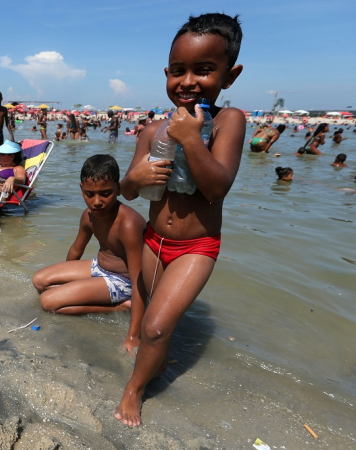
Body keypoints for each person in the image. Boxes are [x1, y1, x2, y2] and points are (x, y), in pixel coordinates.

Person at [116, 13, 244, 427]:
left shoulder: (229, 121)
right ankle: (155, 349)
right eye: (178, 71)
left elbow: (217, 187)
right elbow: (128, 190)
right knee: (150, 308)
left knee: (155, 327)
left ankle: (134, 390)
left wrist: (191, 138)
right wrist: (133, 177)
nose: (188, 81)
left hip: (196, 246)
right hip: (155, 237)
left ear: (230, 75)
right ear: (166, 74)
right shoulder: (153, 128)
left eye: (204, 70)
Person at [32, 154, 146, 347]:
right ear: (81, 189)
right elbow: (76, 250)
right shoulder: (89, 216)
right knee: (39, 281)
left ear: (118, 189)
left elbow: (139, 281)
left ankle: (119, 307)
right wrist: (67, 282)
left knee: (48, 302)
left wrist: (134, 335)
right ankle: (86, 292)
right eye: (89, 194)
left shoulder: (127, 224)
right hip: (99, 267)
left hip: (123, 281)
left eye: (106, 193)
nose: (97, 202)